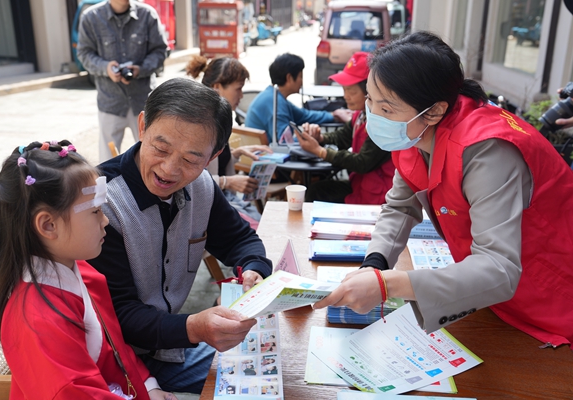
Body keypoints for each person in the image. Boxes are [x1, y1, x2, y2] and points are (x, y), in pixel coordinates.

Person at [314, 31, 573, 350]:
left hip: (551, 298)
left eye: (386, 108)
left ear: (434, 111)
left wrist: (389, 284)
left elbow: (499, 268)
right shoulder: (413, 131)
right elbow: (399, 207)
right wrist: (375, 264)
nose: (374, 116)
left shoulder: (487, 151)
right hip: (490, 297)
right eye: (369, 99)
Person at [87, 78, 274, 394]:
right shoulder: (102, 205)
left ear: (213, 155)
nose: (169, 170)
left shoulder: (201, 186)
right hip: (118, 357)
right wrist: (195, 327)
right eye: (161, 148)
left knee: (269, 370)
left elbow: (239, 240)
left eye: (190, 159)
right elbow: (119, 315)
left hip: (167, 345)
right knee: (257, 380)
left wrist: (253, 269)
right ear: (143, 125)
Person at [0, 140, 175, 399]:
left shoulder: (81, 270)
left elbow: (114, 345)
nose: (105, 220)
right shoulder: (37, 321)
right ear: (48, 225)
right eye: (95, 211)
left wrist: (148, 385)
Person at [295, 51, 394, 204]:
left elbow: (362, 162)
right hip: (360, 186)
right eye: (344, 90)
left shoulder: (382, 122)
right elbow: (342, 137)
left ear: (371, 90)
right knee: (317, 190)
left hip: (377, 197)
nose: (346, 96)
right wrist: (319, 137)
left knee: (318, 193)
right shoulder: (359, 116)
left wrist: (320, 151)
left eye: (352, 91)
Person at [77, 0, 168, 162]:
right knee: (107, 159)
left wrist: (140, 69)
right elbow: (84, 53)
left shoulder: (147, 14)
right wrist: (106, 68)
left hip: (144, 100)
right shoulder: (91, 17)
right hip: (110, 100)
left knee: (151, 155)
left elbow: (160, 51)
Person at [186, 55, 273, 221]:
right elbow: (189, 180)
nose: (241, 95)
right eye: (238, 89)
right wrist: (228, 182)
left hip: (226, 201)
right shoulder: (198, 125)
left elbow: (215, 164)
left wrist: (237, 152)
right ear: (217, 87)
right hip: (208, 210)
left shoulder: (218, 119)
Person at [245, 53, 351, 143]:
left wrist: (334, 115)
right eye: (300, 76)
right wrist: (313, 138)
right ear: (289, 78)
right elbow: (286, 142)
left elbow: (304, 115)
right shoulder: (275, 103)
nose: (302, 81)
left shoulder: (274, 96)